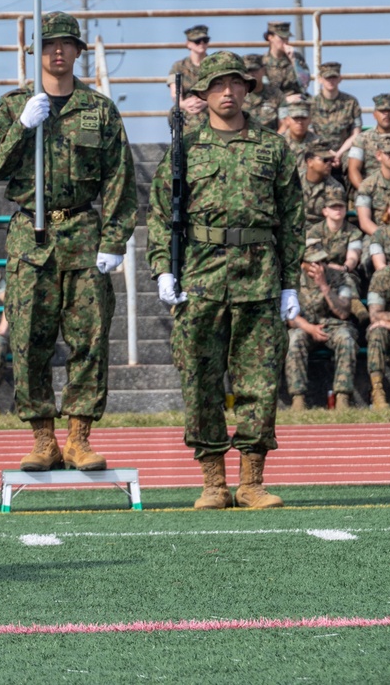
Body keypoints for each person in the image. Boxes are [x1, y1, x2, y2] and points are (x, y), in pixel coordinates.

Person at [0, 12, 136, 474]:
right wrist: (21, 128)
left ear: (79, 52)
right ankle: (44, 439)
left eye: (66, 44)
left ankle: (80, 437)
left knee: (89, 340)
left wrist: (113, 241)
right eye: (48, 44)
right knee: (29, 340)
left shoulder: (99, 109)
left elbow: (121, 182)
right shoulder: (12, 106)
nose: (57, 52)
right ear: (35, 52)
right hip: (32, 234)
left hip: (84, 234)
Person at [147, 51, 303, 510]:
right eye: (218, 85)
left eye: (236, 84)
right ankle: (213, 481)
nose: (228, 92)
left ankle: (252, 481)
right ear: (203, 95)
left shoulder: (272, 147)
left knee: (258, 383)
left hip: (259, 275)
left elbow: (292, 221)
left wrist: (290, 283)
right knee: (201, 379)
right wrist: (163, 268)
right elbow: (161, 215)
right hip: (202, 276)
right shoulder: (184, 149)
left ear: (247, 89)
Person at [285, 187, 363, 413]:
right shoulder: (294, 278)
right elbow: (291, 317)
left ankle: (342, 397)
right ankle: (298, 399)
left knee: (347, 338)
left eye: (321, 261)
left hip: (334, 324)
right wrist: (309, 328)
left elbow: (343, 312)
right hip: (306, 325)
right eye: (313, 262)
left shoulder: (338, 277)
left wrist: (324, 286)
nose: (317, 266)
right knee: (294, 340)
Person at [309, 62, 362, 170]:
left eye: (334, 77)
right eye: (327, 78)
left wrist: (339, 154)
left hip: (344, 151)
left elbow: (356, 134)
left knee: (354, 161)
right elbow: (310, 133)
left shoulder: (351, 102)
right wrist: (327, 152)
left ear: (340, 79)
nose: (331, 81)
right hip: (319, 151)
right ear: (320, 79)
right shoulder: (311, 104)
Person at [366, 252, 390, 409]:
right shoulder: (381, 277)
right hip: (388, 330)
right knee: (376, 332)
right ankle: (377, 392)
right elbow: (375, 315)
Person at [348, 94, 390, 190]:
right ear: (374, 115)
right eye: (382, 111)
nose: (386, 114)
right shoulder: (362, 139)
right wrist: (366, 192)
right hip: (371, 191)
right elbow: (353, 169)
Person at [353, 134, 390, 239]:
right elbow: (365, 222)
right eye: (389, 153)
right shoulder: (367, 185)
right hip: (377, 236)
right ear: (379, 155)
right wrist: (386, 239)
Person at [167, 25, 211, 127]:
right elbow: (175, 94)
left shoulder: (215, 64)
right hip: (186, 107)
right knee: (175, 113)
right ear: (188, 44)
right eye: (197, 41)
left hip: (210, 106)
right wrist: (185, 105)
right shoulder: (179, 66)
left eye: (205, 40)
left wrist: (205, 102)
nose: (202, 44)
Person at [299, 145, 348, 232]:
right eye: (324, 160)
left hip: (318, 233)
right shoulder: (292, 180)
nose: (329, 163)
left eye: (331, 160)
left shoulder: (335, 187)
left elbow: (334, 219)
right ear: (310, 162)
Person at [263, 22, 309, 96]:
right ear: (270, 37)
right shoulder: (263, 61)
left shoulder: (297, 57)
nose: (285, 41)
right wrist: (285, 100)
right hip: (273, 102)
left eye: (287, 38)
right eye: (281, 38)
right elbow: (264, 90)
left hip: (295, 101)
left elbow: (304, 83)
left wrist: (294, 61)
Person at [242, 54, 286, 131]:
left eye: (255, 70)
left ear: (263, 70)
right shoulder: (238, 95)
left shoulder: (276, 94)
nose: (252, 74)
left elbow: (284, 123)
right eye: (248, 71)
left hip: (271, 139)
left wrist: (276, 140)